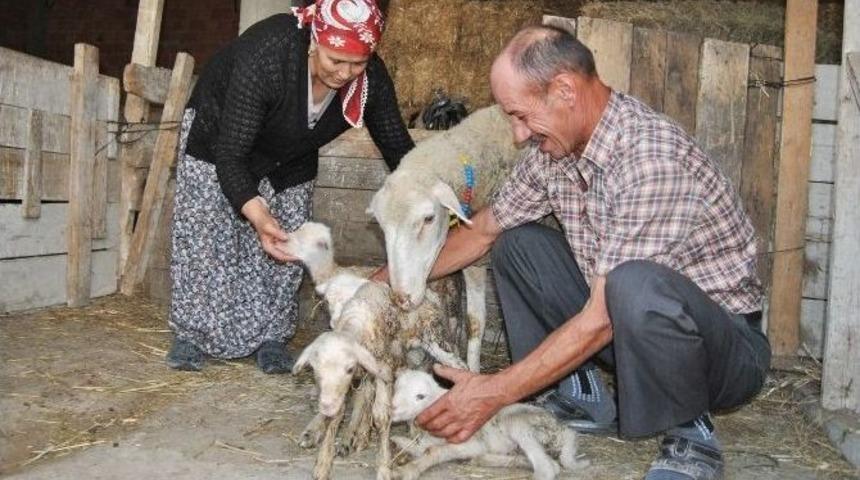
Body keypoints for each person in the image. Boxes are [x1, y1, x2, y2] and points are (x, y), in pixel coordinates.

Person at [401, 26, 771, 480]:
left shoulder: (649, 159)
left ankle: (691, 434)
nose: (517, 136)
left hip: (720, 354)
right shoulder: (555, 151)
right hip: (631, 334)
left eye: (521, 116)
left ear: (564, 90)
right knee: (518, 245)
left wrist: (493, 391)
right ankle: (578, 392)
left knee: (632, 283)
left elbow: (602, 319)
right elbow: (482, 230)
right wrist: (389, 283)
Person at [165, 0, 413, 374]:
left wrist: (429, 190)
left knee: (289, 240)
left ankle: (271, 337)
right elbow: (231, 156)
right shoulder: (267, 55)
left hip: (291, 150)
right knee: (207, 235)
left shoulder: (371, 81)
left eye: (357, 62)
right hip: (221, 138)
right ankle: (192, 334)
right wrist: (258, 214)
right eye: (335, 60)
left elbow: (397, 147)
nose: (346, 72)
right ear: (316, 39)